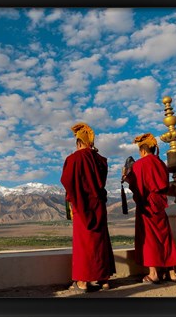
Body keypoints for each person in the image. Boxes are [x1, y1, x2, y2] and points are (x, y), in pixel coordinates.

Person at [61, 122, 116, 292]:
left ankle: (83, 281)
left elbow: (67, 181)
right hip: (98, 206)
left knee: (84, 244)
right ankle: (103, 279)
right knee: (100, 242)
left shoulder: (74, 159)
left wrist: (73, 198)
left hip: (82, 205)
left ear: (78, 142)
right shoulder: (101, 161)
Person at [122, 133, 176, 284]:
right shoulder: (161, 164)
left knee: (149, 239)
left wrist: (127, 176)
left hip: (146, 206)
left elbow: (137, 186)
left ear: (142, 150)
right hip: (160, 205)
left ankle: (153, 273)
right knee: (165, 237)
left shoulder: (140, 164)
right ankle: (172, 272)